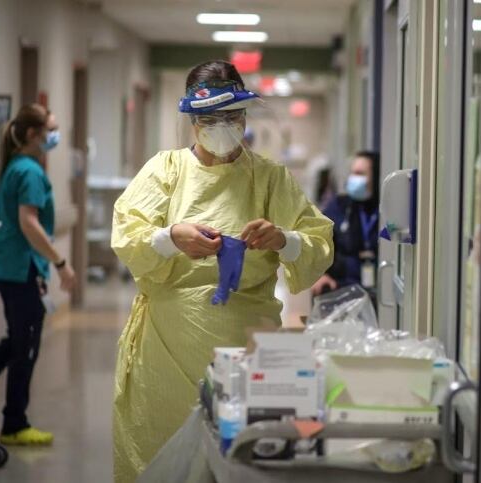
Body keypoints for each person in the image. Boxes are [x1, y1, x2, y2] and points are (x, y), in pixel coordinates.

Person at [110, 60, 333, 482]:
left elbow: (319, 242)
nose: (223, 126)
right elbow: (128, 233)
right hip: (168, 344)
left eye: (232, 116)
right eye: (211, 119)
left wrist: (282, 239)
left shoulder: (269, 178)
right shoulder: (166, 171)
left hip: (242, 343)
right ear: (194, 122)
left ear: (245, 116)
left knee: (237, 456)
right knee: (165, 453)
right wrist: (171, 236)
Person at [0, 103, 77, 446]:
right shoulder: (30, 171)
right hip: (19, 268)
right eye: (52, 128)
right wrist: (61, 262)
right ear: (34, 135)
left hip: (13, 267)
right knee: (25, 346)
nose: (56, 135)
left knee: (19, 341)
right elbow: (28, 222)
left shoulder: (16, 166)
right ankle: (15, 424)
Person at [312, 152, 380, 298]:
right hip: (340, 287)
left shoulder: (383, 210)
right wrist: (320, 275)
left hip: (378, 291)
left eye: (360, 174)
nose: (355, 179)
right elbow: (317, 242)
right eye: (353, 173)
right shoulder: (339, 206)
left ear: (375, 177)